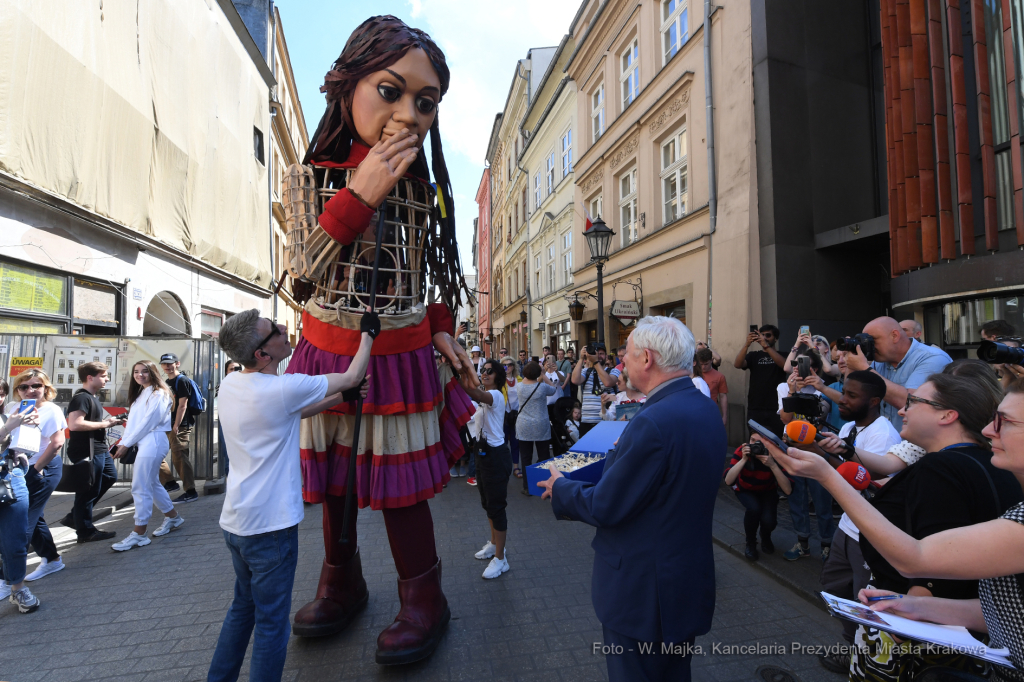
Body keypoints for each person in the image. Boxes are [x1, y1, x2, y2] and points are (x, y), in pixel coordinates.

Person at [279, 16, 477, 666]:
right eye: (391, 91)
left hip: (400, 354)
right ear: (348, 85)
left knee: (401, 489)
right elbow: (298, 281)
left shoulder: (423, 188)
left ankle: (425, 595)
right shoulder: (307, 179)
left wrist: (442, 328)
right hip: (327, 349)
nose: (410, 114)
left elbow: (433, 271)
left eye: (425, 102)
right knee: (336, 480)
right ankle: (342, 578)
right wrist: (359, 195)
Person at [768, 379, 1024, 682]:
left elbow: (921, 560)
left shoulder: (942, 468)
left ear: (948, 415)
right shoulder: (991, 467)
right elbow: (1004, 607)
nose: (989, 430)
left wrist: (826, 475)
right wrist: (916, 607)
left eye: (1005, 421)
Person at [539, 316, 725, 682]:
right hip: (684, 581)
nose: (621, 363)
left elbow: (606, 505)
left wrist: (561, 486)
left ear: (648, 359)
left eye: (628, 355)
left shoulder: (653, 421)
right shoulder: (702, 407)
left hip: (643, 593)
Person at [208, 309, 374, 681]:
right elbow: (352, 374)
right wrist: (368, 335)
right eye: (275, 331)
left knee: (242, 610)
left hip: (236, 524)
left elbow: (290, 413)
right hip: (271, 528)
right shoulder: (281, 388)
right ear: (263, 354)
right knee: (271, 626)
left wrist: (339, 398)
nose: (284, 329)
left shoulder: (232, 384)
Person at [110, 361, 184, 551]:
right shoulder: (141, 394)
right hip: (144, 441)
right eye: (136, 372)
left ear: (153, 373)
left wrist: (126, 444)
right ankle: (174, 518)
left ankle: (139, 533)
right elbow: (134, 424)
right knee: (150, 484)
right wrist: (121, 444)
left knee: (140, 486)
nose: (140, 375)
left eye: (144, 371)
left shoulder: (159, 393)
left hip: (154, 440)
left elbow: (149, 422)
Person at [777, 349, 838, 562]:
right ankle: (802, 542)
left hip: (816, 450)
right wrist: (792, 393)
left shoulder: (823, 390)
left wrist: (817, 386)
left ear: (815, 368)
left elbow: (819, 420)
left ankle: (827, 544)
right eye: (797, 364)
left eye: (806, 365)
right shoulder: (784, 387)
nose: (800, 369)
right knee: (797, 498)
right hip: (792, 449)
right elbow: (785, 419)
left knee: (822, 500)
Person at [8, 370, 67, 583]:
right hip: (20, 469)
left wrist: (35, 470)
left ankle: (9, 579)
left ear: (46, 388)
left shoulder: (50, 410)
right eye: (24, 387)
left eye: (36, 386)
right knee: (34, 517)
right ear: (17, 390)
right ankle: (52, 559)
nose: (30, 390)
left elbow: (57, 443)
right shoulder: (15, 408)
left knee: (21, 523)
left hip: (43, 470)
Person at [844, 316, 952, 431]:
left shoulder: (932, 358)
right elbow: (850, 395)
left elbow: (912, 403)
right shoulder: (878, 363)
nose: (870, 346)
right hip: (884, 442)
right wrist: (852, 361)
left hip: (919, 444)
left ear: (894, 336)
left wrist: (864, 368)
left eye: (872, 341)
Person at [459, 359, 513, 580]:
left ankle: (501, 559)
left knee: (497, 507)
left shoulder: (497, 395)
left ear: (498, 376)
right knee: (487, 504)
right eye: (483, 370)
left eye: (490, 371)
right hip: (482, 455)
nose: (485, 373)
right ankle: (493, 544)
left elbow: (477, 395)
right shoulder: (484, 395)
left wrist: (461, 372)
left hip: (496, 456)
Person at [64, 361, 119, 543]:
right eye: (103, 376)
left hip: (99, 448)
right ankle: (85, 531)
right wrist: (105, 424)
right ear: (90, 377)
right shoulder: (82, 398)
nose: (107, 379)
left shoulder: (93, 397)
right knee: (88, 490)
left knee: (110, 476)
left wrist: (109, 421)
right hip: (87, 450)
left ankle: (75, 516)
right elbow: (75, 424)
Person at [0, 381, 41, 612]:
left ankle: (17, 589)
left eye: (1, 394)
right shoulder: (8, 422)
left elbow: (26, 449)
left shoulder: (9, 417)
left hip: (10, 481)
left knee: (15, 542)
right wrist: (7, 429)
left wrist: (30, 430)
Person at [724, 432, 793, 561]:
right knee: (754, 509)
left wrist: (772, 464)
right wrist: (744, 459)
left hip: (767, 490)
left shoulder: (776, 455)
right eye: (752, 440)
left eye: (759, 443)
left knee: (769, 521)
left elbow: (788, 490)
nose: (755, 445)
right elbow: (728, 481)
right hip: (745, 489)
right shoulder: (742, 450)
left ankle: (765, 536)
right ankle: (750, 543)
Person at [156, 352, 198, 503]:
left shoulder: (181, 380)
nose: (167, 366)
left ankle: (191, 491)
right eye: (164, 363)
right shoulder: (168, 381)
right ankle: (170, 483)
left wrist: (176, 425)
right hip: (167, 425)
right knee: (156, 453)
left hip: (179, 426)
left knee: (179, 457)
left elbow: (182, 405)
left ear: (177, 364)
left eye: (170, 363)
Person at [734, 324, 787, 437]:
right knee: (756, 440)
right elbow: (738, 364)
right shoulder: (754, 355)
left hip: (776, 408)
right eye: (761, 335)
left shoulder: (783, 355)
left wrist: (766, 346)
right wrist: (746, 344)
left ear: (776, 338)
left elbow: (784, 366)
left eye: (768, 335)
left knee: (777, 440)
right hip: (755, 407)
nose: (764, 338)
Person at [515, 361, 558, 494]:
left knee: (526, 457)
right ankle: (544, 484)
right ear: (538, 373)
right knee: (544, 456)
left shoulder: (519, 386)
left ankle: (527, 487)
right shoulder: (542, 387)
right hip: (541, 424)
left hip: (523, 424)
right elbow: (554, 388)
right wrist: (544, 375)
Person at [571, 343, 621, 437]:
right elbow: (574, 380)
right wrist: (581, 358)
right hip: (586, 421)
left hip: (606, 422)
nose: (598, 356)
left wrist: (595, 362)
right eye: (596, 353)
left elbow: (608, 383)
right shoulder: (587, 371)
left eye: (601, 353)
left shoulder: (614, 371)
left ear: (606, 356)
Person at [216, 360, 243, 478]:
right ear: (226, 372)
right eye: (231, 369)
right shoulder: (222, 386)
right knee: (229, 455)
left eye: (237, 369)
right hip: (227, 425)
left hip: (243, 425)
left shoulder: (247, 385)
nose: (234, 372)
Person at [500, 356, 521, 483]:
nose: (507, 367)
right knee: (503, 442)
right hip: (503, 415)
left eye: (510, 365)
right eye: (504, 365)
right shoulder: (499, 381)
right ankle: (502, 467)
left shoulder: (520, 380)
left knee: (515, 442)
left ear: (513, 366)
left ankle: (516, 467)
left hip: (516, 415)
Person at [697, 348, 728, 426]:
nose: (703, 367)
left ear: (711, 360)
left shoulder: (719, 376)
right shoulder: (693, 374)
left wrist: (724, 416)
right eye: (701, 364)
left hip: (711, 412)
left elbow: (723, 396)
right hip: (695, 412)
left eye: (706, 364)